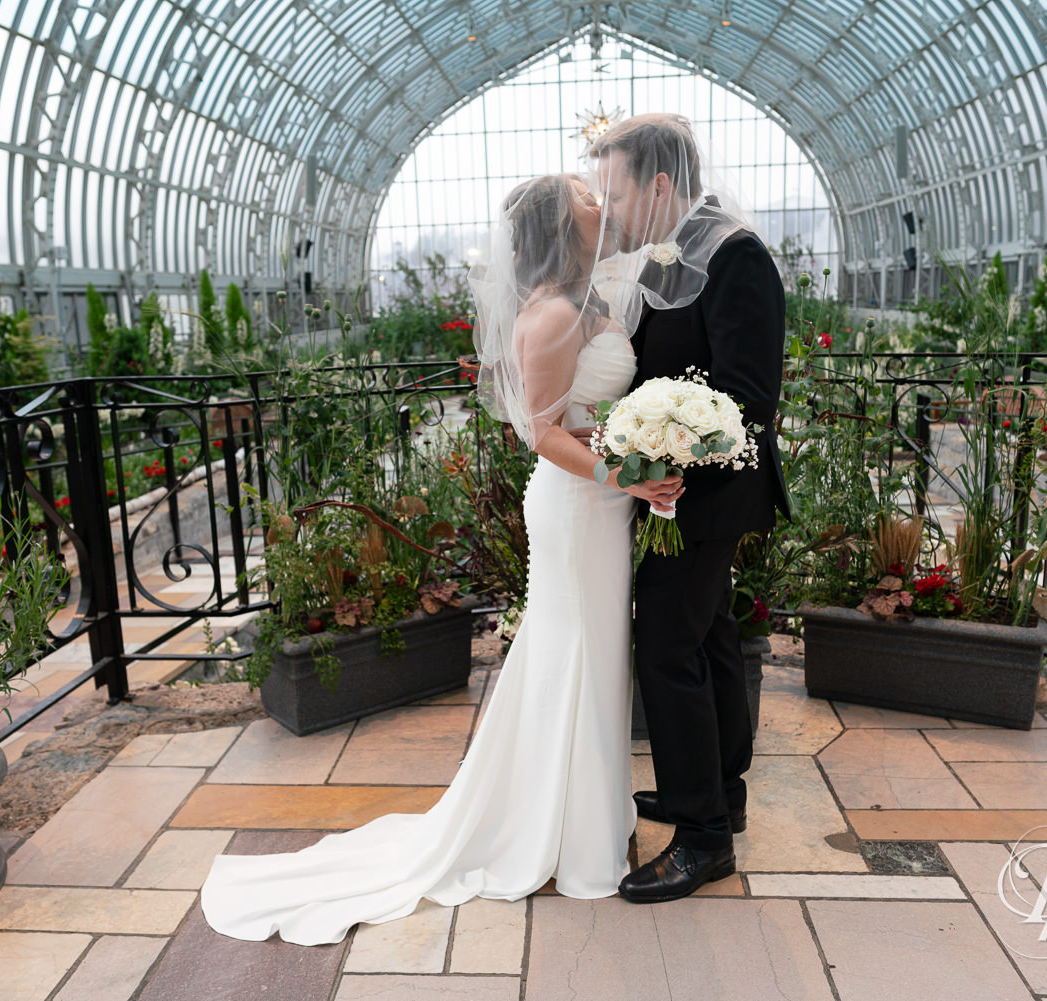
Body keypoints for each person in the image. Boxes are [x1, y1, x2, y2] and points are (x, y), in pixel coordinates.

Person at [198, 172, 678, 946]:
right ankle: (563, 833)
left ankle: (589, 812)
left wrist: (637, 454)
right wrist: (623, 472)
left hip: (604, 504)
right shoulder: (552, 315)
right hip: (574, 508)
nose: (601, 201)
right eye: (587, 198)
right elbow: (541, 433)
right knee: (574, 651)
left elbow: (592, 419)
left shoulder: (595, 300)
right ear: (562, 225)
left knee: (594, 655)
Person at [588, 113, 790, 903]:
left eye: (618, 193)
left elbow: (750, 395)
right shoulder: (659, 259)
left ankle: (702, 839)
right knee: (707, 638)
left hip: (708, 494)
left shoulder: (737, 255)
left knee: (667, 648)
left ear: (661, 184)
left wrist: (669, 458)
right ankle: (718, 792)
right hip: (671, 491)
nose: (611, 211)